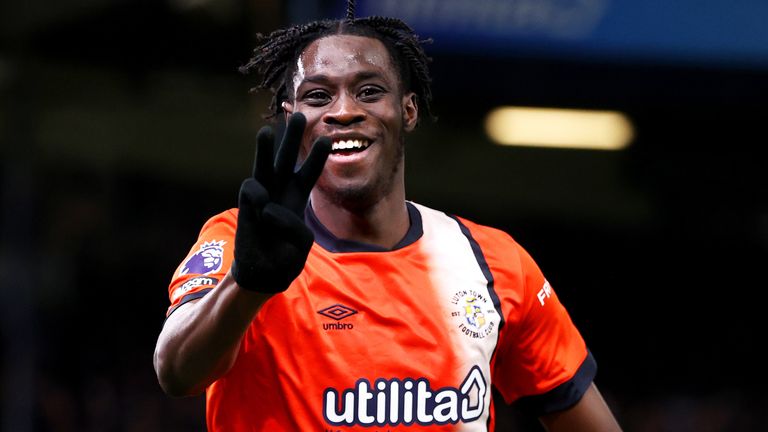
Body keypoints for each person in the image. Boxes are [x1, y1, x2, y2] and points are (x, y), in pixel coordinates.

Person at [153, 1, 623, 430]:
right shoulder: (243, 239)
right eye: (318, 97)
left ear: (408, 109)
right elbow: (176, 372)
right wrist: (247, 285)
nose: (343, 112)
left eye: (369, 91)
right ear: (290, 117)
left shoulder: (493, 262)